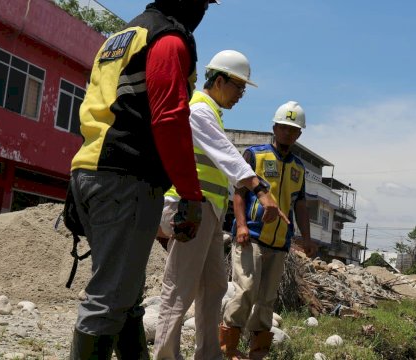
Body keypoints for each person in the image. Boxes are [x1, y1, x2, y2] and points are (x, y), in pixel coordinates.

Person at [67, 1, 218, 358]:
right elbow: (169, 119)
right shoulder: (168, 39)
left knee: (128, 298)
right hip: (126, 179)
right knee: (108, 303)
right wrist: (190, 195)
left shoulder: (121, 37)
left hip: (90, 170)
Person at [152, 50, 287, 360]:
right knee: (179, 289)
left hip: (208, 212)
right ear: (221, 80)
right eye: (239, 87)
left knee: (213, 287)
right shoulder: (199, 110)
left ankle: (208, 355)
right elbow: (227, 155)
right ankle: (165, 356)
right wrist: (260, 188)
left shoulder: (211, 113)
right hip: (190, 209)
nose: (241, 94)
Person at [220, 101, 318, 360]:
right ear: (274, 127)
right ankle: (228, 347)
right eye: (284, 127)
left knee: (267, 298)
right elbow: (239, 193)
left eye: (293, 130)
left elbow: (300, 204)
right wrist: (240, 225)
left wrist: (306, 238)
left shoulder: (299, 168)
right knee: (246, 289)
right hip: (251, 235)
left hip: (280, 242)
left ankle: (258, 350)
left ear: (299, 134)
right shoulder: (255, 154)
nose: (288, 133)